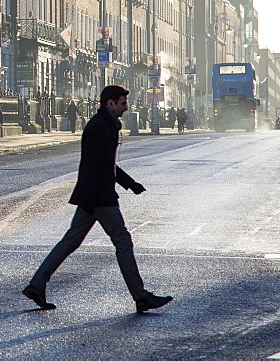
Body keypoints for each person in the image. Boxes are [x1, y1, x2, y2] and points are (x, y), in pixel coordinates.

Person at [22, 85, 173, 314]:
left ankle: (36, 285)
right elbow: (91, 165)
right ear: (110, 103)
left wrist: (130, 184)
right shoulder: (99, 126)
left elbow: (107, 163)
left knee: (70, 242)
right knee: (122, 241)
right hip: (99, 197)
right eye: (122, 103)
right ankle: (140, 296)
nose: (126, 107)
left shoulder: (107, 123)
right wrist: (94, 198)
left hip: (94, 196)